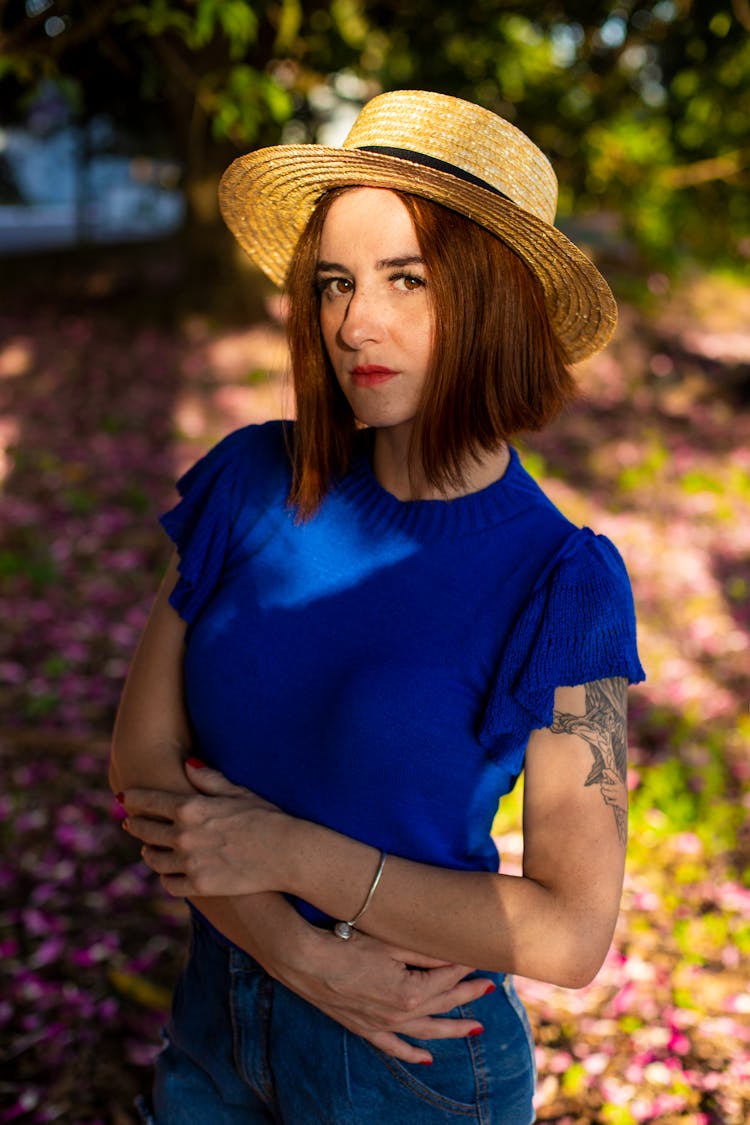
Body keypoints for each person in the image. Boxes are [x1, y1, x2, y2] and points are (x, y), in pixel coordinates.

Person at [110, 89, 645, 1124]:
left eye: (409, 280)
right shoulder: (249, 481)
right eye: (335, 283)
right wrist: (297, 950)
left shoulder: (567, 585)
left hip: (410, 1069)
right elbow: (139, 761)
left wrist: (299, 855)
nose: (358, 323)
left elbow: (572, 934)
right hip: (215, 1034)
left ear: (493, 304)